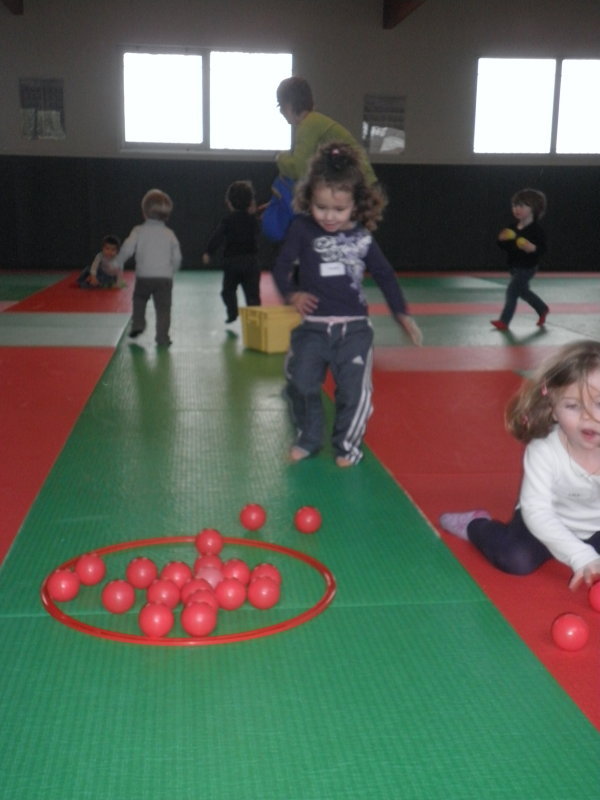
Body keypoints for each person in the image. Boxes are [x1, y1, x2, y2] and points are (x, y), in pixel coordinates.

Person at [272, 141, 422, 467]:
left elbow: (384, 274)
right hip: (312, 327)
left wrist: (401, 313)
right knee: (299, 382)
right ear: (309, 198)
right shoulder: (301, 228)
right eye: (321, 207)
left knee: (354, 394)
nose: (328, 216)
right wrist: (292, 293)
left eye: (339, 210)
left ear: (356, 205)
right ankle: (309, 437)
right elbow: (282, 266)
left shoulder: (362, 237)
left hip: (354, 329)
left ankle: (346, 445)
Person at [439, 339, 600, 592]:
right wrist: (579, 554)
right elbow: (537, 511)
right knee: (516, 559)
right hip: (542, 523)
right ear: (553, 409)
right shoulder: (544, 449)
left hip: (596, 528)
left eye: (599, 404)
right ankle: (476, 526)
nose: (589, 417)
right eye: (573, 405)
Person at [276, 76, 377, 186]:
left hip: (358, 188)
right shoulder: (315, 121)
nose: (281, 112)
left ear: (289, 105)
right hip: (361, 184)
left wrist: (280, 158)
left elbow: (300, 170)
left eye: (280, 106)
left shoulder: (309, 125)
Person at [117, 188, 181, 347]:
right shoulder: (170, 234)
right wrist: (173, 270)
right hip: (164, 278)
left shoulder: (138, 231)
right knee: (163, 309)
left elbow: (127, 248)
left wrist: (118, 261)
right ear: (167, 215)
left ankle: (138, 324)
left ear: (144, 212)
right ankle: (162, 338)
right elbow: (177, 257)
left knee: (139, 299)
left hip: (144, 276)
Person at [202, 180, 261, 323]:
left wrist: (208, 252)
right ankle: (255, 319)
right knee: (252, 294)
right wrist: (253, 214)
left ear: (229, 202)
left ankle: (232, 312)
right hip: (251, 262)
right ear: (250, 202)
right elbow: (257, 230)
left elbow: (217, 236)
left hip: (232, 263)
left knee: (227, 291)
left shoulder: (227, 220)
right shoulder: (253, 220)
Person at [491, 188, 549, 331]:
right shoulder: (512, 228)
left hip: (528, 267)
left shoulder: (536, 230)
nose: (516, 209)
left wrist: (532, 248)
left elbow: (542, 249)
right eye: (514, 206)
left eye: (521, 206)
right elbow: (504, 246)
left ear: (533, 209)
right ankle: (542, 308)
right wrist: (501, 239)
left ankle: (504, 321)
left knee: (512, 291)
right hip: (514, 267)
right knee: (523, 292)